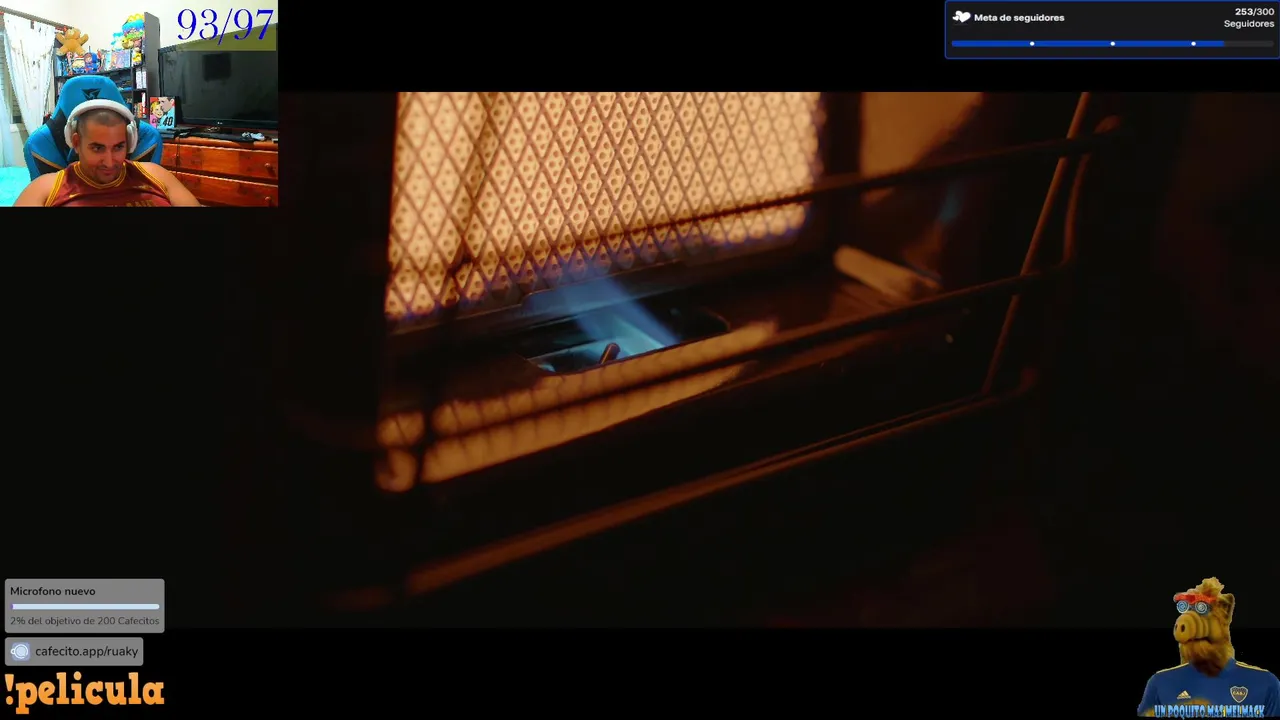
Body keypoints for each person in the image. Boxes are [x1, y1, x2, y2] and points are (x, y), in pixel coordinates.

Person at [14, 105, 200, 207]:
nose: (110, 162)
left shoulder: (155, 175)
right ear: (76, 143)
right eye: (97, 148)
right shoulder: (46, 189)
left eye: (118, 147)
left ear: (130, 142)